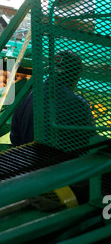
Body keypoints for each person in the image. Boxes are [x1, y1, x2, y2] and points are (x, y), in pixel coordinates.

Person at [10, 50, 97, 203]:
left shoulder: (27, 96)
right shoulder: (79, 105)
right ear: (75, 76)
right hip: (61, 183)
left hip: (28, 176)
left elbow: (15, 139)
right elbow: (91, 149)